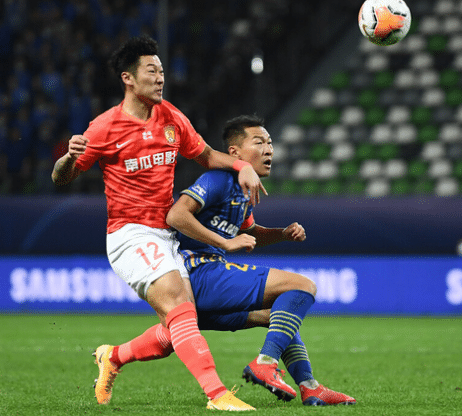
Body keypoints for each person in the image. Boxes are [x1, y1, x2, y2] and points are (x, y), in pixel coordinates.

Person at [51, 36, 265, 411]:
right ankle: (217, 395)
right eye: (151, 71)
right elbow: (60, 178)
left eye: (162, 70)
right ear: (128, 78)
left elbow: (206, 155)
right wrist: (69, 158)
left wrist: (241, 165)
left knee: (177, 325)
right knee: (180, 304)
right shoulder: (105, 127)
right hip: (129, 235)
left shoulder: (171, 117)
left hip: (166, 235)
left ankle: (113, 356)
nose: (161, 77)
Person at [101, 115, 356, 406]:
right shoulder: (218, 180)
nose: (269, 149)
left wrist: (282, 234)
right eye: (259, 142)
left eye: (270, 143)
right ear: (235, 153)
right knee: (302, 286)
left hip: (205, 286)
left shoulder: (242, 191)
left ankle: (310, 387)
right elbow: (176, 215)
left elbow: (251, 233)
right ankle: (265, 363)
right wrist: (224, 242)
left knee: (279, 315)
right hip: (196, 273)